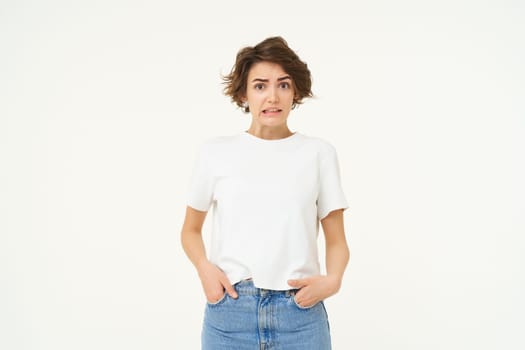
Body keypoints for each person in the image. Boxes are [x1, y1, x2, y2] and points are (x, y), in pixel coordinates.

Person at [181, 36, 350, 350]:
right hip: (230, 315)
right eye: (260, 86)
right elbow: (190, 230)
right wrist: (205, 270)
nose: (272, 97)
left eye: (283, 85)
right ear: (244, 94)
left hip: (300, 317)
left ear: (295, 91)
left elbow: (337, 240)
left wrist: (332, 280)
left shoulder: (318, 154)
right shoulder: (215, 153)